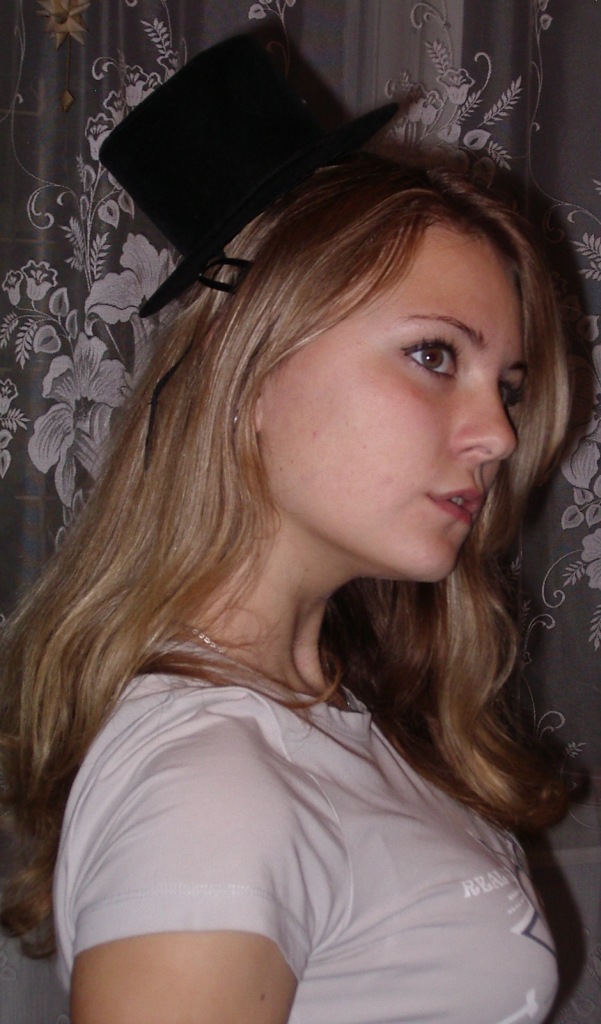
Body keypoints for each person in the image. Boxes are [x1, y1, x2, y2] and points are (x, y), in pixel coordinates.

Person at [0, 34, 569, 1024]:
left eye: (506, 386)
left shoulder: (328, 708)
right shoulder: (205, 792)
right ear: (249, 366)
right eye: (435, 355)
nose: (496, 436)